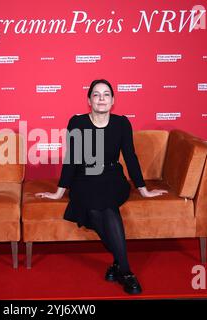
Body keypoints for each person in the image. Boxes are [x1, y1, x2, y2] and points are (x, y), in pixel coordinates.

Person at [35, 79, 168, 295]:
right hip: (84, 178)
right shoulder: (77, 123)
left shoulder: (122, 123)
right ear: (89, 100)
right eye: (96, 95)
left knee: (106, 205)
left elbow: (130, 157)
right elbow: (72, 158)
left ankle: (121, 267)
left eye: (106, 94)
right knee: (98, 207)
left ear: (113, 100)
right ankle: (125, 270)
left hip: (113, 177)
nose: (101, 99)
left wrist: (144, 189)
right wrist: (59, 191)